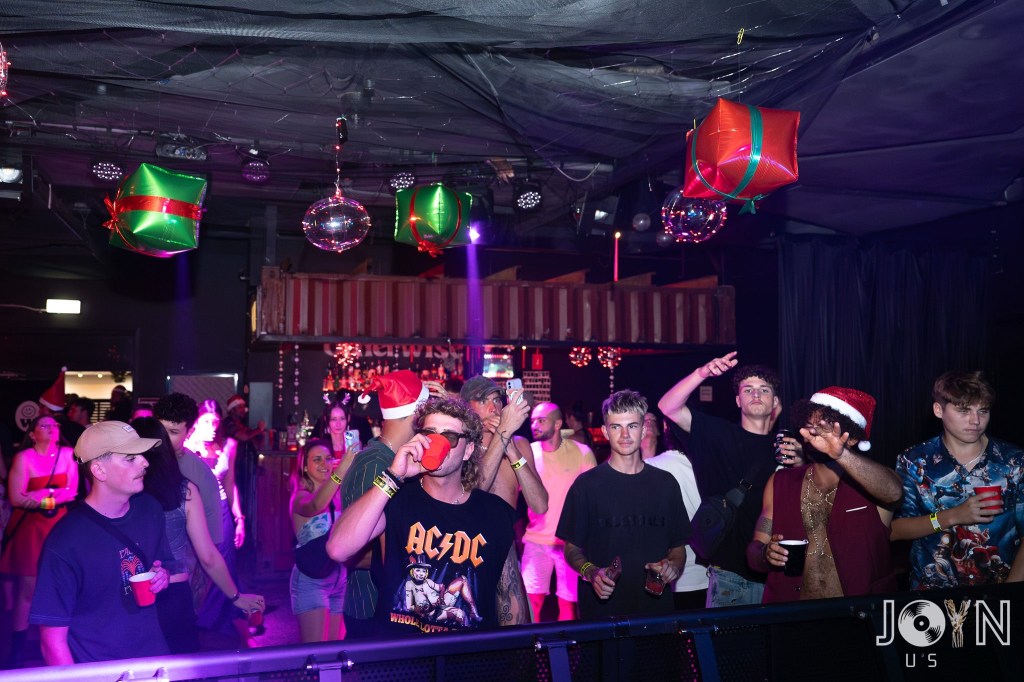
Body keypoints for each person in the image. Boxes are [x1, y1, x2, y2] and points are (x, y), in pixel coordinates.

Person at [328, 396, 528, 635]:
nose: (437, 442)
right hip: (404, 654)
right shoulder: (395, 499)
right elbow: (337, 549)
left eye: (449, 436)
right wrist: (393, 476)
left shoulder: (494, 512)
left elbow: (511, 602)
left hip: (468, 655)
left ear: (468, 450)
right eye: (429, 433)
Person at [29, 421, 171, 664]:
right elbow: (52, 642)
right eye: (130, 458)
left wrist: (162, 576)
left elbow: (161, 565)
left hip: (154, 662)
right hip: (100, 669)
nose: (145, 462)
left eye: (142, 455)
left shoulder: (150, 510)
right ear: (99, 470)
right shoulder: (66, 541)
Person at [747, 387, 902, 602]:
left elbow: (894, 493)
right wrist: (765, 554)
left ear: (852, 438)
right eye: (810, 426)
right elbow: (754, 550)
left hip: (859, 614)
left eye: (825, 428)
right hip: (791, 613)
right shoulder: (781, 482)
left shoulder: (873, 485)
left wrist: (841, 455)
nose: (814, 434)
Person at [657, 352, 780, 607]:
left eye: (764, 389)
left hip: (777, 578)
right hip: (731, 580)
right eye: (748, 389)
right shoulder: (716, 434)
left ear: (775, 402)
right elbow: (668, 406)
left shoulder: (786, 448)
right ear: (738, 400)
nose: (756, 394)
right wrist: (702, 373)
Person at [557, 390, 690, 620]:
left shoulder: (666, 484)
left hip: (655, 613)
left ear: (644, 430)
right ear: (605, 431)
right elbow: (571, 548)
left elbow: (678, 549)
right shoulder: (586, 486)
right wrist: (591, 572)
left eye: (632, 426)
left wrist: (673, 568)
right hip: (602, 615)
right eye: (616, 427)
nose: (625, 435)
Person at [135, 417, 263, 653]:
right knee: (180, 665)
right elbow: (208, 556)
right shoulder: (184, 490)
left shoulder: (124, 492)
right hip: (173, 595)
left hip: (133, 593)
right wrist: (236, 597)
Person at [892, 371, 1024, 588]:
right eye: (963, 410)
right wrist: (952, 516)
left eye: (983, 411)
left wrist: (1010, 593)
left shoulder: (1013, 461)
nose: (975, 421)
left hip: (999, 588)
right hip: (932, 591)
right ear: (938, 410)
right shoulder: (914, 461)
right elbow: (895, 530)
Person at [339, 370, 430, 638]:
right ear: (417, 414)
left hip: (390, 605)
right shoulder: (374, 463)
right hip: (370, 605)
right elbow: (353, 552)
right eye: (427, 411)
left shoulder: (395, 460)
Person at [0, 415, 79, 669]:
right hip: (32, 526)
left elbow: (73, 491)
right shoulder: (24, 458)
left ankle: (59, 642)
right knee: (27, 589)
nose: (51, 428)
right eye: (45, 425)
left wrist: (39, 497)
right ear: (32, 434)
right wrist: (50, 498)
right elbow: (15, 497)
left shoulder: (68, 454)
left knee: (62, 585)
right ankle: (18, 647)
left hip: (61, 525)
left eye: (54, 425)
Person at [183, 399, 250, 645]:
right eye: (207, 422)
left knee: (226, 563)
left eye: (215, 423)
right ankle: (195, 619)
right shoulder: (184, 447)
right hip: (195, 510)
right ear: (196, 422)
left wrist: (239, 518)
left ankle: (218, 622)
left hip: (221, 509)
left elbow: (230, 485)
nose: (212, 428)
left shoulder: (228, 446)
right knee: (197, 565)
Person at [522, 402, 596, 621]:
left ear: (557, 424)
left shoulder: (581, 452)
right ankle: (531, 643)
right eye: (532, 420)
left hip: (570, 543)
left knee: (569, 605)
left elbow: (594, 498)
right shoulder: (528, 453)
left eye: (541, 420)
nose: (534, 425)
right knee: (530, 603)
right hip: (535, 539)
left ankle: (568, 643)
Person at [645, 420, 709, 610]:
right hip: (709, 576)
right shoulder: (711, 464)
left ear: (666, 430)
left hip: (669, 578)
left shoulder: (651, 466)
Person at [460, 376, 547, 514]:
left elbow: (540, 506)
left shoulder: (519, 444)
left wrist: (512, 452)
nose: (493, 408)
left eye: (496, 400)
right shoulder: (461, 447)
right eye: (483, 401)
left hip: (507, 528)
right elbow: (474, 495)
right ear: (467, 408)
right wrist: (502, 436)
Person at [290, 439, 347, 642]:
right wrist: (340, 473)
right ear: (305, 467)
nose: (325, 463)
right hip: (311, 580)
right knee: (316, 652)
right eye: (317, 459)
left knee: (335, 650)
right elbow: (315, 506)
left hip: (339, 576)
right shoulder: (300, 497)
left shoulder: (339, 495)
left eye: (328, 458)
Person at [154, 393, 223, 547]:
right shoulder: (141, 460)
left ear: (189, 432)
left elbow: (212, 539)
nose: (164, 437)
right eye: (161, 429)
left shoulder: (200, 473)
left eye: (173, 432)